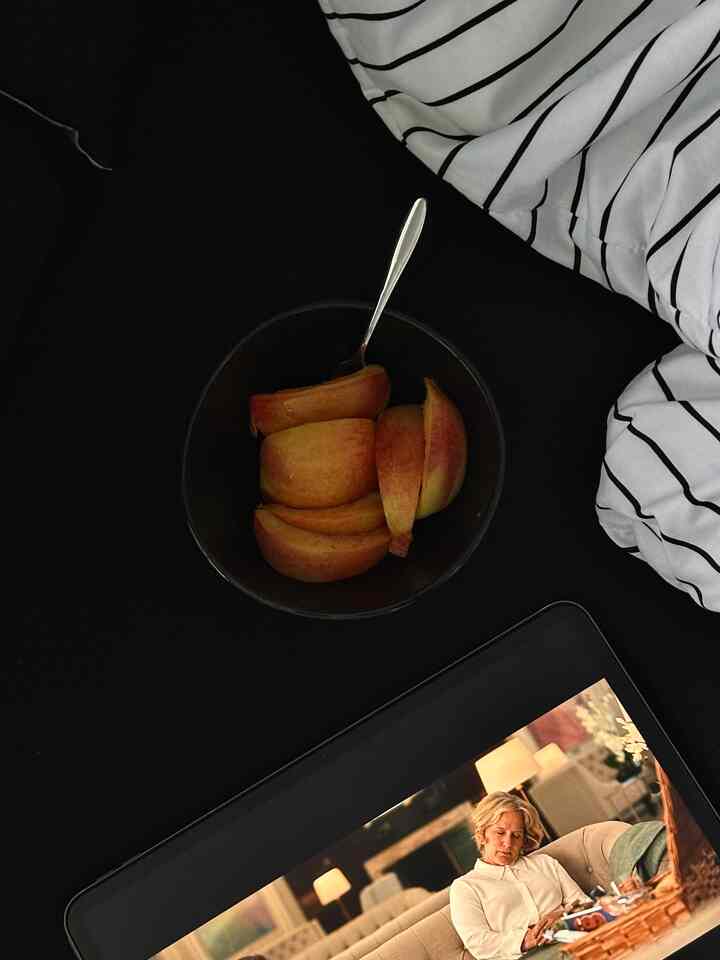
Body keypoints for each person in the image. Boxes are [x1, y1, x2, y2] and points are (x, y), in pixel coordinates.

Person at [449, 792, 591, 959]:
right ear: (482, 834)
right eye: (500, 833)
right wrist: (526, 939)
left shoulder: (544, 863)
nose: (508, 843)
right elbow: (479, 943)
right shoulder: (465, 887)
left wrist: (562, 916)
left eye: (516, 835)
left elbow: (585, 903)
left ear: (524, 839)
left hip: (576, 938)